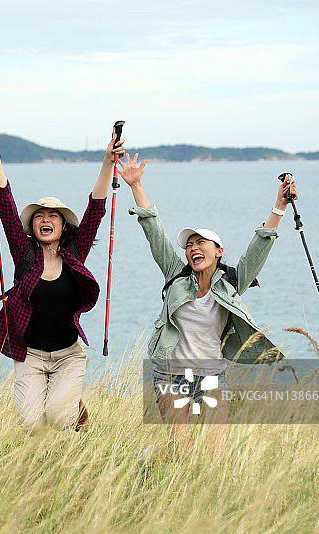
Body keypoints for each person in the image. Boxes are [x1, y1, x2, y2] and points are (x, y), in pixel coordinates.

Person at [118, 152, 296, 453]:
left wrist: (279, 206)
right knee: (180, 447)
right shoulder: (176, 276)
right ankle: (155, 467)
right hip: (170, 373)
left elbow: (260, 246)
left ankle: (158, 462)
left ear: (218, 251)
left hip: (212, 374)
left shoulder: (232, 283)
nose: (193, 248)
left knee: (217, 450)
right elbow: (154, 232)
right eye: (189, 245)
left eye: (201, 243)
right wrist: (136, 186)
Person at [0, 130, 125, 431]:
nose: (45, 220)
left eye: (53, 216)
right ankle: (66, 411)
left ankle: (73, 414)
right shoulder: (24, 253)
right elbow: (5, 202)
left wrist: (109, 160)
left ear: (63, 225)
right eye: (39, 216)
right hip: (29, 355)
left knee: (59, 418)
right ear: (32, 225)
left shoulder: (75, 252)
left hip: (69, 354)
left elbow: (96, 206)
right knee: (32, 425)